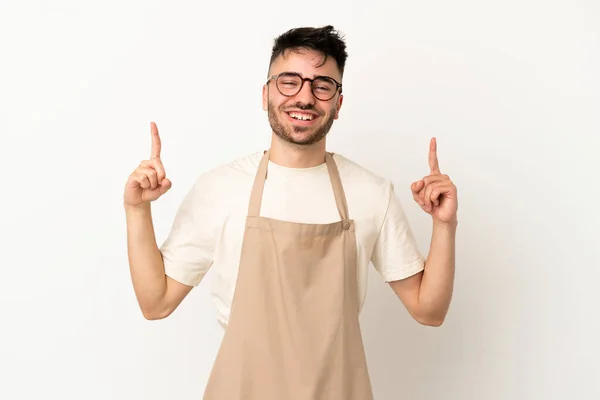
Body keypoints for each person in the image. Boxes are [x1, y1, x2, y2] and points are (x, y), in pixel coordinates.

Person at [124, 25, 457, 400]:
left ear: (338, 103)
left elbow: (429, 311)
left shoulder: (370, 192)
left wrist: (445, 226)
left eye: (322, 85)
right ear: (265, 94)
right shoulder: (220, 188)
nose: (305, 97)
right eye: (289, 81)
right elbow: (156, 303)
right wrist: (137, 210)